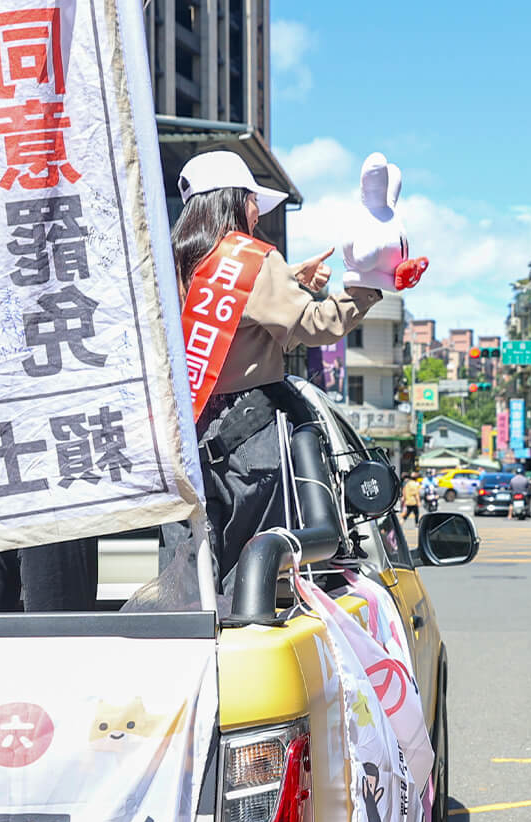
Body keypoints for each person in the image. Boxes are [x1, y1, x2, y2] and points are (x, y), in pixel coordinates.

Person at [167, 149, 391, 589]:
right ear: (232, 201)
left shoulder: (170, 260)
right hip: (252, 439)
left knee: (190, 564)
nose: (257, 213)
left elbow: (222, 315)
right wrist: (364, 290)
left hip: (185, 432)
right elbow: (316, 325)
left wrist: (290, 279)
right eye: (253, 201)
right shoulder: (251, 260)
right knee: (260, 565)